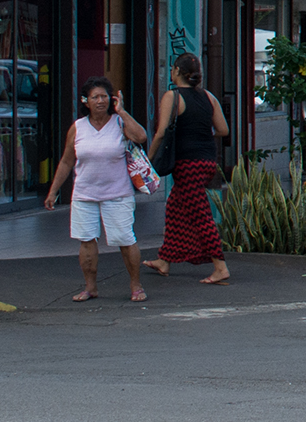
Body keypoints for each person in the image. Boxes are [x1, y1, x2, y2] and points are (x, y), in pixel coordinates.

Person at [42, 77, 152, 302]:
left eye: (104, 96)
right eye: (95, 97)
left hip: (118, 194)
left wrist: (121, 111)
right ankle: (90, 287)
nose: (100, 101)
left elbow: (141, 137)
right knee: (87, 240)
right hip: (84, 194)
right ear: (86, 101)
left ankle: (136, 285)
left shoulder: (119, 123)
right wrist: (53, 191)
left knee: (125, 238)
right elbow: (66, 161)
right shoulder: (78, 127)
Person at [145, 53, 231, 285]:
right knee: (175, 208)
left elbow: (161, 133)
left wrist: (148, 160)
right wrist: (201, 130)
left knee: (201, 216)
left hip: (186, 164)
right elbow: (223, 130)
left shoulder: (172, 96)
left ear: (175, 72)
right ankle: (165, 260)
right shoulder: (208, 97)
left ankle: (220, 267)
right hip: (206, 162)